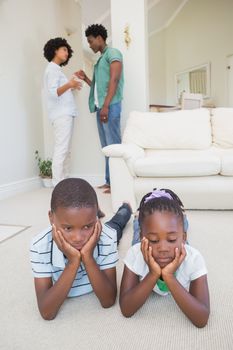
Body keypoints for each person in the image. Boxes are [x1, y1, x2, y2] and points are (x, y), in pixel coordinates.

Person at [30, 178, 131, 320]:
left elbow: (108, 301)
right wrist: (73, 262)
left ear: (95, 220)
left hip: (107, 232)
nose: (78, 238)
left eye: (87, 226)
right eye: (68, 228)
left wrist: (88, 257)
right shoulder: (39, 246)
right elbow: (47, 312)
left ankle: (126, 209)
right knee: (112, 226)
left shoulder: (106, 237)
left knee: (117, 224)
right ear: (51, 218)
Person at [120, 189, 210, 328]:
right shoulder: (135, 253)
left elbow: (202, 319)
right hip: (142, 241)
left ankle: (182, 215)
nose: (163, 248)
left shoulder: (194, 259)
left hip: (180, 244)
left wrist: (169, 276)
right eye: (154, 240)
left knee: (182, 225)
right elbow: (126, 309)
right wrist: (153, 273)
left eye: (172, 239)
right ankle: (138, 216)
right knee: (138, 228)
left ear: (183, 238)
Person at [75, 24, 124, 193]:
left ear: (99, 38)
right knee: (106, 148)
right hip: (101, 107)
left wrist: (106, 106)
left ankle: (119, 183)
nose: (89, 45)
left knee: (114, 146)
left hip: (109, 106)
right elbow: (98, 87)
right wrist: (86, 78)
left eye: (90, 41)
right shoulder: (100, 59)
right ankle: (110, 181)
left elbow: (114, 80)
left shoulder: (113, 53)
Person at [43, 37, 82, 187]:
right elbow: (53, 92)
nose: (67, 53)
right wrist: (70, 84)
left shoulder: (57, 70)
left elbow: (61, 91)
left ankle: (64, 183)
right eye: (64, 49)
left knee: (66, 150)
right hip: (61, 115)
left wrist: (72, 85)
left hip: (66, 114)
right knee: (62, 149)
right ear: (55, 50)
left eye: (67, 50)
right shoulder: (52, 69)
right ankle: (58, 185)